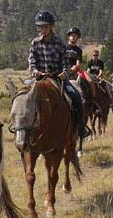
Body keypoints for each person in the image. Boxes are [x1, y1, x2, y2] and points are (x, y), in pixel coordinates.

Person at [27, 11, 91, 140]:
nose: (43, 29)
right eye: (40, 26)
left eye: (45, 26)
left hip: (57, 78)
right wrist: (35, 71)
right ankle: (22, 129)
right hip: (39, 78)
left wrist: (65, 73)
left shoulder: (59, 43)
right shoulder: (35, 43)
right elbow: (31, 61)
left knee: (76, 96)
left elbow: (65, 63)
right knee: (22, 97)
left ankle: (80, 127)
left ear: (51, 27)